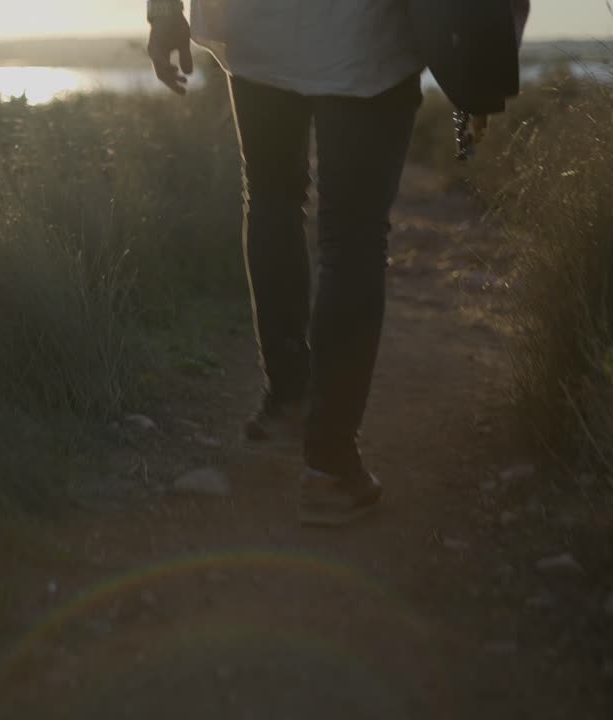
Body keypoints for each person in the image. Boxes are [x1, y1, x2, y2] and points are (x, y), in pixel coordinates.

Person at [145, 0, 523, 527]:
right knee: (352, 235)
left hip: (258, 27)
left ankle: (287, 405)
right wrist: (478, 69)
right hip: (365, 36)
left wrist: (163, 14)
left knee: (273, 200)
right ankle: (329, 465)